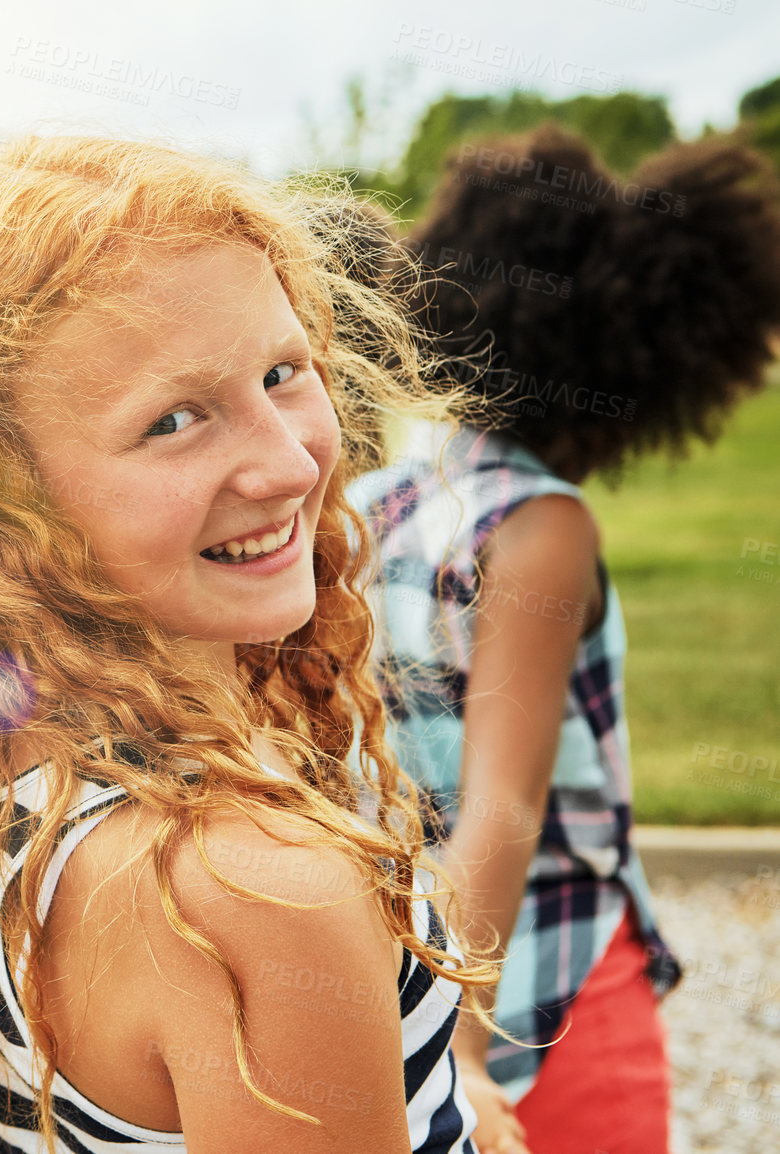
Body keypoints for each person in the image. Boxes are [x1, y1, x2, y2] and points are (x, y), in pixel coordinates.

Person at [0, 133, 508, 1154]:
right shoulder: (253, 886)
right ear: (3, 496)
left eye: (283, 370)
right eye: (173, 419)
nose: (289, 462)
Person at [348, 124, 780, 1154]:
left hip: (398, 972)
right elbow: (503, 803)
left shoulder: (375, 499)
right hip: (540, 990)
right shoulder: (540, 527)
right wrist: (459, 1046)